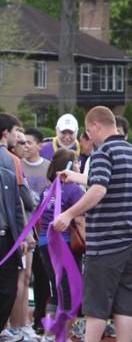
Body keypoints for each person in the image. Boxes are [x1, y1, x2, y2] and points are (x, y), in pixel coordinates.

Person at [51, 106, 132, 342]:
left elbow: (99, 189)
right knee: (124, 308)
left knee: (96, 309)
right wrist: (76, 177)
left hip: (107, 243)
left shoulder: (103, 153)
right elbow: (109, 183)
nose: (88, 136)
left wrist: (69, 214)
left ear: (95, 126)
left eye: (88, 130)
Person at [38, 149, 85, 340]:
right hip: (64, 245)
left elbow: (40, 219)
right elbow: (81, 220)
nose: (79, 166)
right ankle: (61, 336)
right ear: (68, 167)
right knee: (69, 291)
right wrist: (88, 241)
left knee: (56, 289)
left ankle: (50, 334)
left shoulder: (46, 190)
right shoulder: (74, 190)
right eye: (76, 163)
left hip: (45, 242)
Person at [21, 127, 51, 336]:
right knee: (24, 275)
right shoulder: (17, 164)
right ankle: (21, 320)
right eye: (24, 142)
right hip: (24, 225)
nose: (27, 146)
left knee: (42, 275)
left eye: (30, 142)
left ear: (40, 145)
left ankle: (40, 317)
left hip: (43, 228)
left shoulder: (48, 168)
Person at [0, 113, 26, 339]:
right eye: (15, 132)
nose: (18, 137)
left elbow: (17, 203)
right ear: (5, 133)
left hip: (6, 236)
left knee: (9, 289)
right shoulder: (11, 160)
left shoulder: (10, 163)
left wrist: (24, 235)